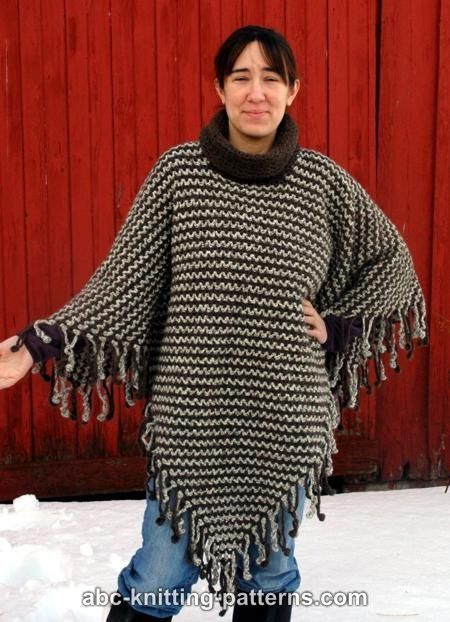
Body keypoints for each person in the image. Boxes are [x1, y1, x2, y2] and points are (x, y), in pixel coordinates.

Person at [0, 25, 428, 622]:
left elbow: (393, 261)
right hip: (191, 422)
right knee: (158, 572)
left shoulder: (324, 184)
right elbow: (121, 283)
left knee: (270, 574)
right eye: (242, 78)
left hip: (284, 419)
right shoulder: (179, 175)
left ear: (293, 91)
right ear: (220, 88)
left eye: (272, 79)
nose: (257, 92)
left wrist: (341, 327)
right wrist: (39, 343)